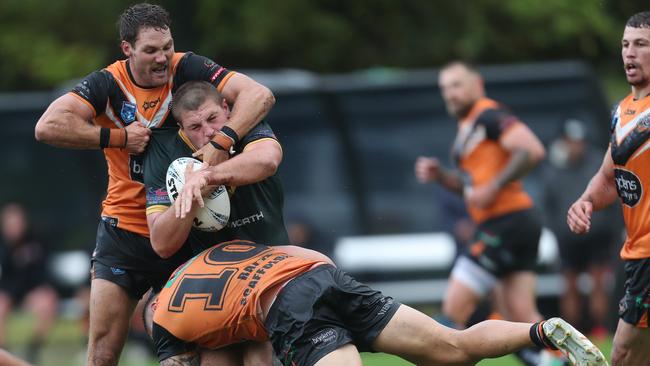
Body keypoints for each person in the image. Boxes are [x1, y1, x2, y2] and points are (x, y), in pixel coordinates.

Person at [33, 3, 275, 365]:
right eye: (151, 50)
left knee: (199, 355)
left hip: (183, 229)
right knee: (102, 352)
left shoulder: (188, 67)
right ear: (127, 49)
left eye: (167, 47)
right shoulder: (107, 84)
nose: (163, 58)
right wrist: (117, 138)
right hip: (125, 230)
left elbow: (260, 95)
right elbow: (47, 126)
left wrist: (221, 141)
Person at [142, 239, 607, 366]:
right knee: (452, 348)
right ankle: (542, 331)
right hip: (321, 274)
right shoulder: (211, 255)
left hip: (290, 305)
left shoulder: (164, 317)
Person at [415, 61, 549, 365]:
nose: (450, 94)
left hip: (507, 221)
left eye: (457, 85)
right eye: (445, 88)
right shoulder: (467, 131)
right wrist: (441, 176)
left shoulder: (488, 115)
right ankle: (560, 362)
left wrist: (496, 185)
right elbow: (471, 189)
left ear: (478, 84)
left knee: (453, 311)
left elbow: (531, 149)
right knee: (521, 319)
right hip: (514, 222)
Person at [567, 11, 650, 366]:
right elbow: (607, 178)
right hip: (637, 253)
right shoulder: (622, 111)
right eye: (625, 45)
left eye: (641, 45)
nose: (629, 53)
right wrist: (585, 201)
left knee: (624, 354)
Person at [144, 80, 288, 260]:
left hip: (273, 257)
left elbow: (268, 160)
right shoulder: (164, 151)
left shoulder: (245, 122)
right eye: (195, 127)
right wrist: (192, 195)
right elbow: (161, 245)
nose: (209, 132)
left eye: (212, 118)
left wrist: (206, 178)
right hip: (210, 271)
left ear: (226, 108)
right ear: (182, 129)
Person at [543, 119, 621, 338]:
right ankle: (573, 331)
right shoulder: (554, 168)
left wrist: (610, 230)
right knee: (568, 284)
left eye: (578, 141)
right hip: (566, 236)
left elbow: (613, 200)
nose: (575, 146)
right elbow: (548, 204)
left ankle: (599, 328)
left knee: (598, 282)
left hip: (597, 235)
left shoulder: (598, 162)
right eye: (570, 141)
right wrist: (557, 228)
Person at [0, 203, 59, 364]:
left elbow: (44, 272)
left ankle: (33, 348)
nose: (14, 227)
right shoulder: (4, 245)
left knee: (47, 300)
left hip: (32, 290)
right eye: (9, 223)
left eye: (17, 222)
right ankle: (4, 351)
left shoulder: (36, 239)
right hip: (9, 291)